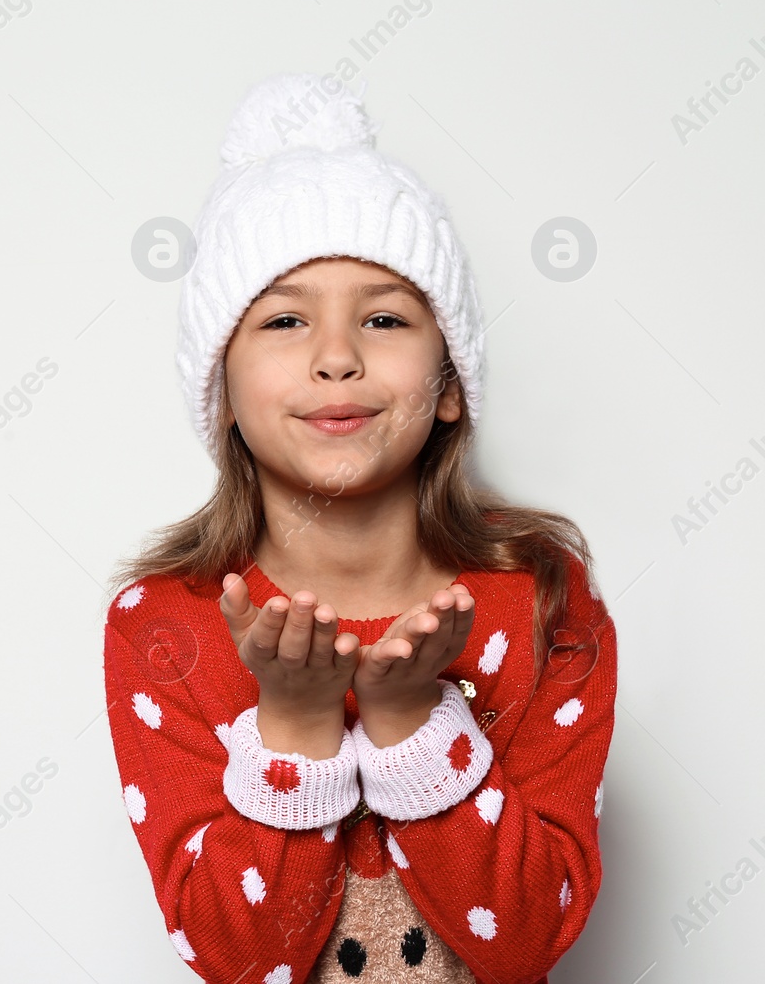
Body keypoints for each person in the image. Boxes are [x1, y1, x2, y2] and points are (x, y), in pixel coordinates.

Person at [103, 71, 616, 984]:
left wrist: (413, 719)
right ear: (221, 391)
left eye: (383, 317)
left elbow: (529, 937)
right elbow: (238, 956)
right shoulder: (162, 624)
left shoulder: (541, 598)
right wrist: (297, 722)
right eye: (285, 319)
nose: (336, 357)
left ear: (451, 382)